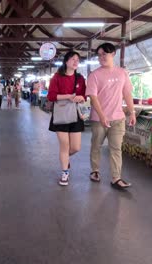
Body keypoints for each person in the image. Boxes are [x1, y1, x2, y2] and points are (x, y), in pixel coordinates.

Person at [86, 43, 136, 190]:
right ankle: (95, 171)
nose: (101, 57)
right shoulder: (94, 75)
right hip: (98, 119)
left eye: (104, 54)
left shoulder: (122, 73)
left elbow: (127, 93)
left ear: (113, 54)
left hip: (118, 118)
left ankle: (116, 178)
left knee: (116, 148)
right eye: (99, 55)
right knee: (96, 146)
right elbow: (93, 98)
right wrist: (102, 116)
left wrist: (132, 112)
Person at [48, 51, 86, 186]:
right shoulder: (57, 77)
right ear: (66, 61)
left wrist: (81, 98)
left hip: (75, 114)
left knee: (75, 147)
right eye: (73, 59)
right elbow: (51, 96)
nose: (76, 62)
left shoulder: (80, 78)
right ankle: (65, 172)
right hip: (61, 114)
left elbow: (83, 96)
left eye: (78, 60)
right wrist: (69, 96)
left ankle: (64, 159)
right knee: (64, 145)